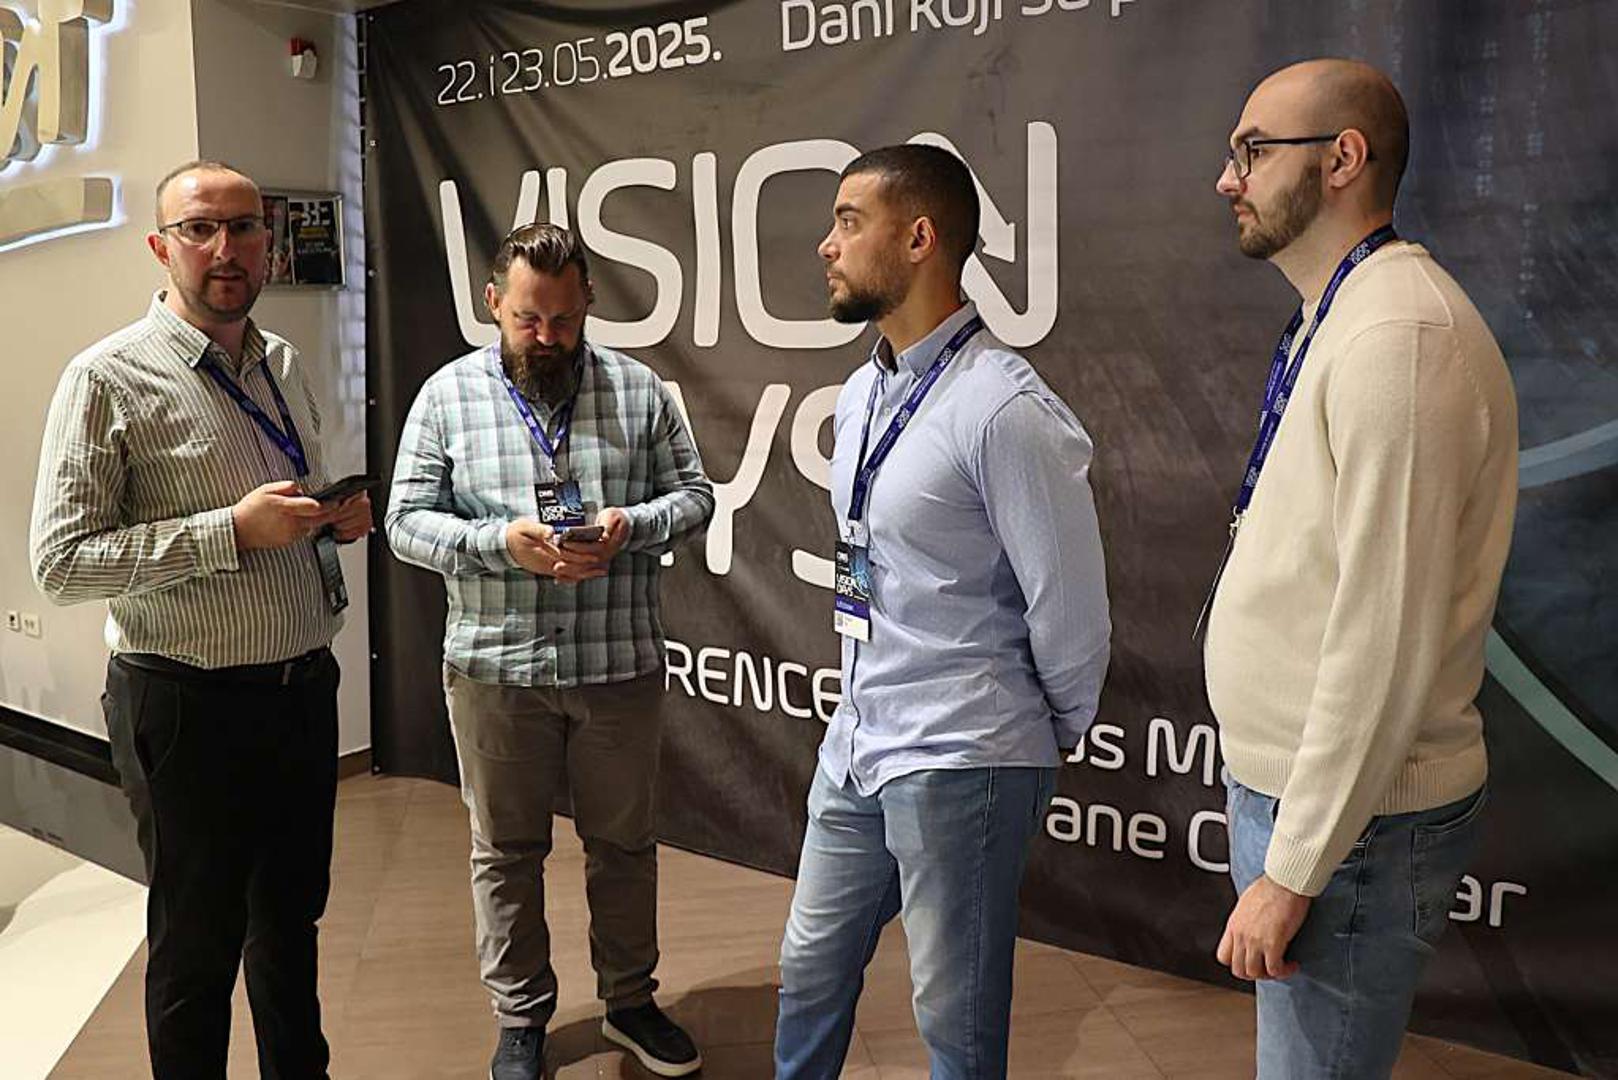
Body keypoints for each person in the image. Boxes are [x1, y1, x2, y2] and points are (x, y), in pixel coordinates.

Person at [1204, 59, 1519, 1078]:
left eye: (1253, 150)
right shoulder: (1343, 315)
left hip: (1353, 828)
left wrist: (1295, 868)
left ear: (1342, 159)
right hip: (1319, 805)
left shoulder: (1399, 337)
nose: (1227, 178)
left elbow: (1384, 640)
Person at [774, 144, 1112, 1079]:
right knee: (808, 969)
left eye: (849, 221)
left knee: (954, 1021)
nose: (827, 245)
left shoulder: (1004, 409)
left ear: (919, 238)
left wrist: (1027, 740)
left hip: (964, 752)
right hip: (859, 736)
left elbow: (1072, 611)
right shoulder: (864, 390)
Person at [29, 160, 371, 1079]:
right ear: (161, 246)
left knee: (290, 921)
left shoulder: (282, 362)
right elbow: (61, 563)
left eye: (245, 227)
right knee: (196, 944)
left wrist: (329, 519)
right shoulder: (105, 379)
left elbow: (282, 504)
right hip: (186, 708)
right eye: (201, 229)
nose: (227, 249)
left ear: (269, 242)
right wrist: (230, 532)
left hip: (300, 691)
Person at [384, 223, 714, 1080]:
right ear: (493, 302)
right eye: (528, 318)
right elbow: (404, 523)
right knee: (505, 851)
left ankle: (630, 1002)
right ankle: (521, 1017)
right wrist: (501, 543)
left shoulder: (639, 390)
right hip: (495, 667)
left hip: (617, 664)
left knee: (624, 846)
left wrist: (631, 525)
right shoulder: (446, 396)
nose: (546, 336)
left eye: (564, 320)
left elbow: (695, 497)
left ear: (589, 304)